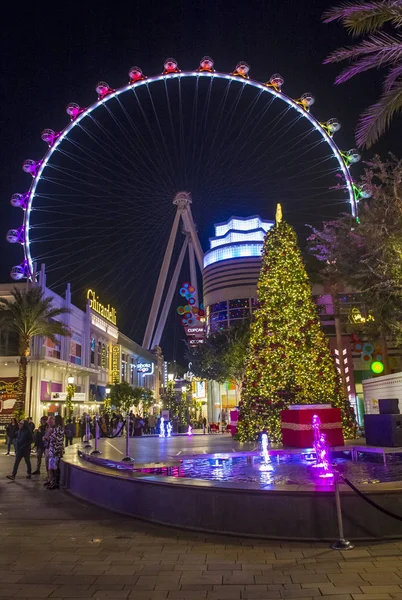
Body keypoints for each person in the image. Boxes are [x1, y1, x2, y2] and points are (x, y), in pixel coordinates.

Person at [46, 415, 64, 490]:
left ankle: (55, 483)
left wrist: (49, 435)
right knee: (54, 467)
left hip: (55, 450)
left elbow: (56, 438)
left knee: (55, 467)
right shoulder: (60, 428)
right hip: (55, 449)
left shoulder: (58, 428)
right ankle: (54, 482)